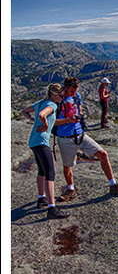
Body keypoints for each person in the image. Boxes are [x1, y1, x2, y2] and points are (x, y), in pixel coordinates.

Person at [53, 77, 118, 200]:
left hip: (80, 135)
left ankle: (113, 185)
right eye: (71, 90)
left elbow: (79, 109)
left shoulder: (76, 96)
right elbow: (51, 122)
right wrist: (68, 120)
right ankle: (71, 189)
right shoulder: (57, 100)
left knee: (103, 154)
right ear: (65, 87)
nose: (73, 93)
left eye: (75, 90)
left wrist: (81, 116)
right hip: (65, 138)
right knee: (68, 166)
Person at [22, 83, 70, 219]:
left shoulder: (40, 102)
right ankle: (51, 208)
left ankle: (41, 198)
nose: (62, 98)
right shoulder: (53, 105)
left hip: (33, 141)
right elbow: (43, 115)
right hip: (42, 142)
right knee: (50, 172)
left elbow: (24, 111)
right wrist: (44, 124)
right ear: (54, 95)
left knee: (42, 171)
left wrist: (33, 120)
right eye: (61, 96)